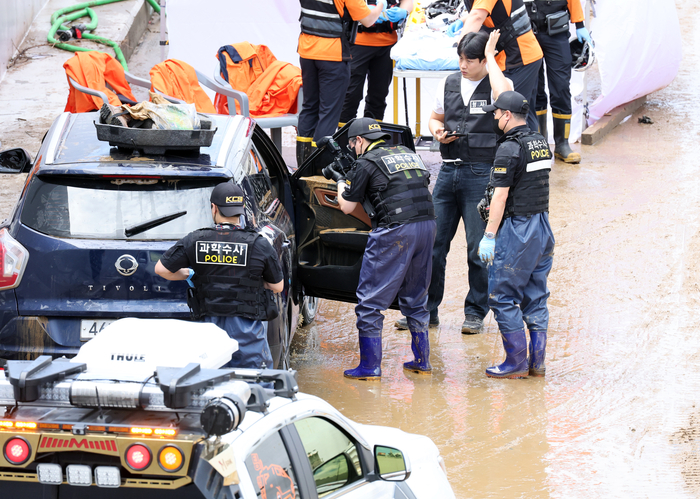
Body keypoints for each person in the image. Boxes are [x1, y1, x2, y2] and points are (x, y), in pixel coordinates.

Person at [394, 30, 512, 334]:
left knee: (477, 248)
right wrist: (436, 132)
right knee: (431, 245)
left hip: (480, 173)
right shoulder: (448, 83)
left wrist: (490, 57)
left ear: (483, 60)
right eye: (460, 58)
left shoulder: (499, 82)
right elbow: (435, 118)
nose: (462, 65)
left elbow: (505, 95)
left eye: (470, 60)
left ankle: (475, 312)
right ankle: (424, 310)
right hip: (448, 172)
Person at [324, 118, 436, 380]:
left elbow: (348, 207)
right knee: (417, 298)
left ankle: (369, 367)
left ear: (359, 141)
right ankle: (422, 361)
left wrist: (342, 180)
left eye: (353, 144)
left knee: (370, 302)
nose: (353, 149)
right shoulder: (407, 153)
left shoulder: (365, 162)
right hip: (427, 227)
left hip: (395, 231)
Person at [155, 182, 284, 369]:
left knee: (207, 390)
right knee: (255, 390)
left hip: (209, 337)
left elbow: (161, 269)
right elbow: (277, 286)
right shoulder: (258, 244)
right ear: (240, 210)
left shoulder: (196, 240)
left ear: (214, 208)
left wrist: (189, 274)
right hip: (247, 339)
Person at [477, 90, 555, 379]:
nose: (495, 117)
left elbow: (500, 196)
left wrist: (489, 234)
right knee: (536, 297)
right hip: (542, 226)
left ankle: (515, 363)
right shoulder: (540, 142)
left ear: (507, 115)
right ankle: (537, 364)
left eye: (496, 113)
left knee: (502, 296)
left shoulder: (509, 148)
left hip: (518, 229)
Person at [296, 0, 387, 166]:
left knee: (309, 107)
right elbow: (367, 20)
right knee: (328, 113)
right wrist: (380, 6)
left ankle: (303, 167)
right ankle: (319, 169)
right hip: (332, 55)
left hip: (307, 51)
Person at [450, 0, 543, 133]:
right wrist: (463, 20)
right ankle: (532, 151)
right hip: (514, 56)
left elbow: (477, 15)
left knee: (514, 115)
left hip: (520, 58)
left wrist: (461, 48)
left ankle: (520, 152)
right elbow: (486, 11)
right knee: (524, 113)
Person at [525, 0, 591, 163]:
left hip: (556, 33)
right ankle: (540, 144)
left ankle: (562, 145)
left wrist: (580, 24)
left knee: (561, 87)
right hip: (527, 34)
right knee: (534, 89)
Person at [339, 0, 413, 126]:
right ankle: (345, 138)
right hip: (356, 43)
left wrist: (404, 12)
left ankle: (372, 137)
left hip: (387, 45)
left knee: (379, 96)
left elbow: (407, 1)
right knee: (350, 95)